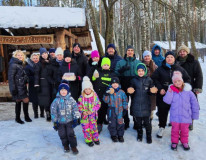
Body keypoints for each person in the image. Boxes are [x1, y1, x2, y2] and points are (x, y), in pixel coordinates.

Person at [152, 51, 191, 138]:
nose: (169, 59)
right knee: (162, 111)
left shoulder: (179, 69)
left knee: (176, 112)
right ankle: (161, 127)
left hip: (176, 95)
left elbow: (187, 79)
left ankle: (177, 129)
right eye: (168, 57)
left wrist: (181, 88)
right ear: (165, 59)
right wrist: (160, 88)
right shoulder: (160, 69)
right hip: (163, 94)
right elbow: (154, 79)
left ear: (174, 58)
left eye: (171, 57)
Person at [163, 71, 199, 151]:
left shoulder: (189, 92)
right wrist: (169, 92)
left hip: (186, 117)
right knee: (174, 130)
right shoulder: (172, 91)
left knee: (185, 131)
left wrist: (195, 115)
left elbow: (195, 104)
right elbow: (167, 101)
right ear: (173, 83)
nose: (177, 82)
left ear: (182, 81)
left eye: (179, 81)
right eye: (175, 81)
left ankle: (184, 142)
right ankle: (174, 142)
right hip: (175, 116)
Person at [127, 63, 158, 144]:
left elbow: (152, 91)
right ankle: (140, 135)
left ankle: (148, 136)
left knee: (147, 123)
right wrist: (130, 91)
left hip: (146, 104)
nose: (140, 72)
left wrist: (153, 91)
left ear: (145, 71)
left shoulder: (149, 80)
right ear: (137, 71)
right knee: (138, 123)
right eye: (139, 71)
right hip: (136, 104)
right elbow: (131, 91)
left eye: (142, 71)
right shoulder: (133, 80)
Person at [176, 44, 203, 130]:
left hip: (190, 87)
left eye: (184, 51)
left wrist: (198, 87)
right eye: (180, 51)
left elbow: (199, 75)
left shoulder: (194, 62)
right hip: (178, 87)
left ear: (187, 52)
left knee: (191, 105)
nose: (182, 53)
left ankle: (190, 122)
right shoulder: (176, 62)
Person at [115, 45, 141, 130]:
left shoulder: (138, 62)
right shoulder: (120, 62)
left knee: (135, 104)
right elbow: (116, 73)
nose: (130, 52)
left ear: (134, 52)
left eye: (131, 50)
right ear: (126, 52)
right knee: (124, 104)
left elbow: (142, 73)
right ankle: (126, 122)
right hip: (124, 84)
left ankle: (136, 122)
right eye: (128, 50)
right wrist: (123, 69)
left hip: (134, 85)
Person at [51, 81, 80, 154]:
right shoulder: (56, 101)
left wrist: (76, 118)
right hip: (60, 122)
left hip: (69, 121)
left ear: (68, 91)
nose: (63, 92)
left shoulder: (71, 100)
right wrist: (55, 122)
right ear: (59, 91)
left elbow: (75, 109)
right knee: (62, 134)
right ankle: (65, 145)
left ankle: (73, 146)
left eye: (65, 90)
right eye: (62, 90)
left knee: (71, 134)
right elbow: (53, 111)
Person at [88, 57, 116, 133]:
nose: (106, 66)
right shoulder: (98, 71)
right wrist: (93, 76)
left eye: (107, 65)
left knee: (110, 110)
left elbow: (115, 83)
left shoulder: (112, 73)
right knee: (100, 110)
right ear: (101, 65)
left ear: (109, 66)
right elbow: (91, 79)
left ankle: (111, 124)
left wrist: (113, 89)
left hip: (109, 95)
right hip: (99, 94)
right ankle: (99, 123)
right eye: (104, 65)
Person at [8, 50, 32, 124]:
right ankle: (18, 118)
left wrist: (26, 79)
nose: (20, 56)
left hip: (22, 86)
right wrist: (13, 89)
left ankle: (25, 116)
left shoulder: (20, 64)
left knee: (24, 101)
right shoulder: (13, 65)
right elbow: (11, 78)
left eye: (21, 55)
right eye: (18, 55)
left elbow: (21, 76)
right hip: (17, 87)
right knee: (21, 101)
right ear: (15, 56)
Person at [103, 77, 128, 143]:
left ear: (118, 84)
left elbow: (125, 100)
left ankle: (120, 135)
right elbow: (106, 101)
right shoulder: (108, 91)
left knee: (120, 122)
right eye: (113, 83)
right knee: (112, 123)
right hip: (111, 110)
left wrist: (125, 109)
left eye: (116, 83)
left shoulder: (121, 92)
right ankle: (113, 135)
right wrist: (106, 94)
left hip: (120, 110)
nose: (114, 84)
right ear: (111, 84)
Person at [78, 76, 101, 147]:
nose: (87, 91)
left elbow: (98, 104)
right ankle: (88, 140)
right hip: (84, 117)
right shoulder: (81, 97)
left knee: (94, 127)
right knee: (86, 129)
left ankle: (95, 138)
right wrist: (82, 111)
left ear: (91, 89)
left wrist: (92, 110)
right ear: (83, 90)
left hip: (92, 116)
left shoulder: (94, 96)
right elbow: (79, 106)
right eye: (86, 89)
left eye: (89, 89)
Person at [34, 48, 51, 121]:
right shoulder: (39, 64)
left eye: (45, 53)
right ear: (41, 55)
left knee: (51, 98)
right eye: (43, 54)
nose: (45, 55)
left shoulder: (51, 61)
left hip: (51, 82)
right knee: (46, 99)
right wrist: (37, 84)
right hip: (43, 83)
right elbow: (36, 74)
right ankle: (47, 113)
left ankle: (52, 112)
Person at [142, 51, 158, 121]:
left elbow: (158, 76)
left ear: (150, 57)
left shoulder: (155, 66)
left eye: (148, 56)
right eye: (145, 56)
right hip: (143, 86)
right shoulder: (141, 65)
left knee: (151, 101)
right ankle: (143, 116)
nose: (147, 57)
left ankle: (151, 115)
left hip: (152, 86)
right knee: (143, 102)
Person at [25, 53, 41, 118]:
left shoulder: (41, 65)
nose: (35, 59)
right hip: (32, 85)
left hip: (41, 84)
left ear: (38, 58)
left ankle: (42, 113)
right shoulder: (28, 66)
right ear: (31, 59)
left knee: (41, 99)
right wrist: (36, 77)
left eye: (36, 58)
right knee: (35, 100)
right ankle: (36, 114)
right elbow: (27, 76)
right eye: (34, 58)